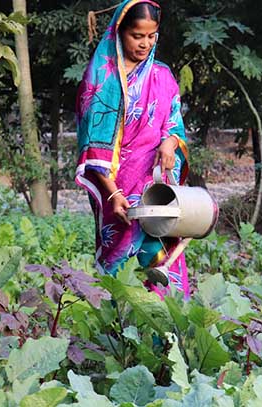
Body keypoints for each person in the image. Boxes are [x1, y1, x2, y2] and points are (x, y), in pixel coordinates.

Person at [75, 0, 191, 299]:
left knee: (163, 258)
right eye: (137, 36)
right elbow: (94, 145)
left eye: (151, 36)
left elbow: (174, 124)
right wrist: (112, 194)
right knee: (118, 263)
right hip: (119, 189)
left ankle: (166, 335)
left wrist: (170, 142)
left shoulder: (162, 75)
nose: (145, 43)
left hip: (157, 187)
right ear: (120, 32)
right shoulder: (102, 78)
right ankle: (117, 333)